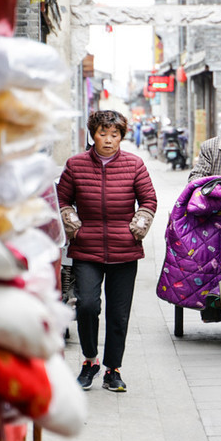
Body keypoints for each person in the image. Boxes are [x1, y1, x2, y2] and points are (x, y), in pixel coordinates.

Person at [58, 110, 157, 392]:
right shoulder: (75, 165)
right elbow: (63, 198)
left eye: (115, 134)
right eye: (103, 133)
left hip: (124, 250)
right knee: (87, 305)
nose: (109, 140)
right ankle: (90, 360)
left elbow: (148, 199)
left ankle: (113, 369)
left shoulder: (135, 165)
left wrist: (139, 224)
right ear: (93, 134)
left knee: (118, 312)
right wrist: (70, 220)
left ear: (122, 137)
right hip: (86, 248)